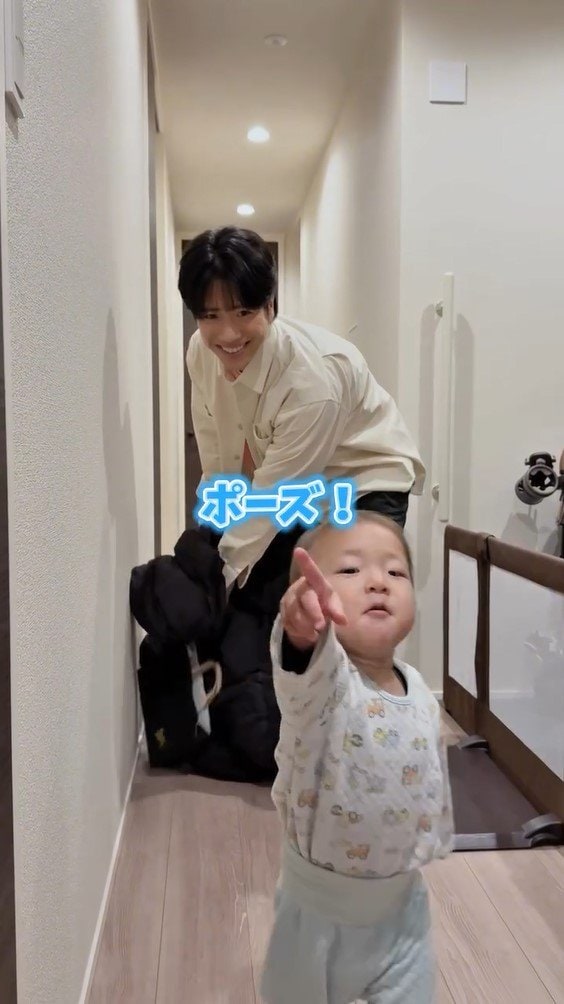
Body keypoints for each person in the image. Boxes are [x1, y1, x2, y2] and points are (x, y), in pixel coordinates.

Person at [261, 511, 453, 1004]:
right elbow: (301, 663)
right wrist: (301, 630)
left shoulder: (420, 689)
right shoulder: (324, 686)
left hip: (403, 913)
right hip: (317, 917)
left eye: (396, 571)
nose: (378, 582)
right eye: (350, 569)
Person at [178, 227, 425, 596]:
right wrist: (211, 540)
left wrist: (213, 583)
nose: (228, 334)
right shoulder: (201, 351)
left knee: (345, 607)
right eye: (211, 315)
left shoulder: (311, 383)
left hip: (362, 484)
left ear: (270, 306)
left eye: (243, 312)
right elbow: (218, 457)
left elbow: (272, 498)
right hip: (299, 482)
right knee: (258, 602)